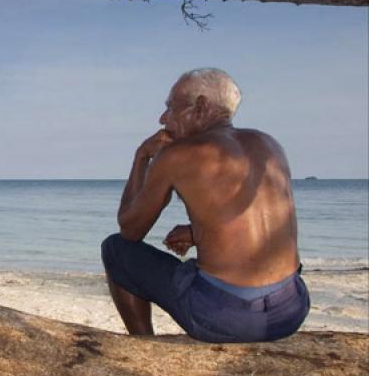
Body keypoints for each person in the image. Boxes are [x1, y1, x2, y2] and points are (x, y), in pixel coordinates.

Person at [101, 68, 309, 343]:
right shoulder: (269, 143)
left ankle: (144, 346)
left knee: (115, 249)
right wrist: (196, 232)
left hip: (225, 319)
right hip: (290, 309)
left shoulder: (177, 155)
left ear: (200, 107)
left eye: (170, 107)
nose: (163, 118)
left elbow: (130, 229)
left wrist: (142, 156)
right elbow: (257, 221)